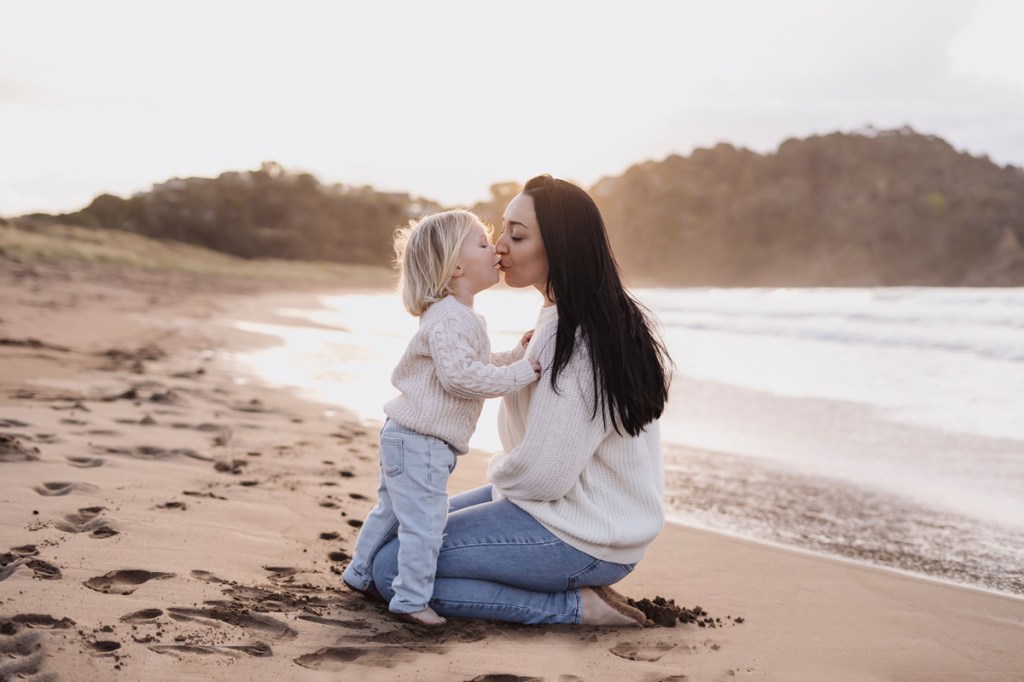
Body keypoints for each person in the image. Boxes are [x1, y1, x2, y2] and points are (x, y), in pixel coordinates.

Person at [361, 175, 673, 626]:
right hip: (562, 510)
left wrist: (499, 479)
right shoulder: (567, 317)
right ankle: (559, 585)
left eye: (518, 236)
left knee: (391, 571)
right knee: (401, 539)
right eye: (501, 231)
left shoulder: (578, 338)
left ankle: (575, 607)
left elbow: (543, 476)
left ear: (559, 248)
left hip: (584, 533)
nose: (500, 246)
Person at [342, 209, 541, 627]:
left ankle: (359, 574)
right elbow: (461, 378)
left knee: (391, 512)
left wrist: (515, 355)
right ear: (456, 268)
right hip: (422, 441)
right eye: (483, 244)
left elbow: (472, 364)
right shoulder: (451, 318)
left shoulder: (454, 315)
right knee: (426, 524)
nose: (496, 249)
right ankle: (411, 600)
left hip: (408, 434)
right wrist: (521, 373)